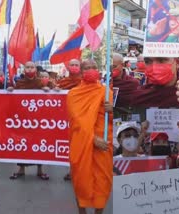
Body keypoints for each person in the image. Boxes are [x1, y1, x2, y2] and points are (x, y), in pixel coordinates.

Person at [67, 59, 113, 214]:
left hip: (104, 144)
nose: (91, 70)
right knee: (81, 180)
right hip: (83, 143)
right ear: (81, 72)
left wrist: (112, 109)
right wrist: (93, 139)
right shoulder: (74, 94)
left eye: (94, 67)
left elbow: (114, 120)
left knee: (102, 181)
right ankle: (82, 212)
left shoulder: (107, 92)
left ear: (99, 70)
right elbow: (77, 122)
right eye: (87, 68)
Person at [8, 62, 51, 180]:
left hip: (38, 120)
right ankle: (21, 169)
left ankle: (40, 170)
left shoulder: (40, 82)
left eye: (32, 67)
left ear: (35, 70)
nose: (30, 69)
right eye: (27, 67)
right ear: (24, 69)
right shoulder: (19, 83)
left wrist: (48, 89)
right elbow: (14, 99)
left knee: (38, 144)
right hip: (22, 120)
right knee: (22, 144)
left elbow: (54, 93)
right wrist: (12, 90)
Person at [56, 59, 82, 181]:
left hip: (82, 118)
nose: (74, 67)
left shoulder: (84, 82)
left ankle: (78, 171)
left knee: (79, 147)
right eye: (72, 65)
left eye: (76, 65)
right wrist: (54, 90)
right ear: (68, 67)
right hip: (65, 118)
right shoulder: (63, 82)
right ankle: (71, 170)